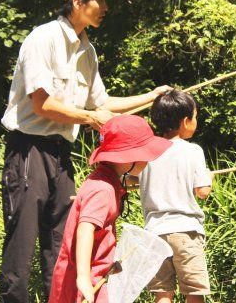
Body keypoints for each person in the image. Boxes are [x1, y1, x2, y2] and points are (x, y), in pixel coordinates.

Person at [0, 0, 170, 303]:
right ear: (78, 3)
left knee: (61, 243)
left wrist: (151, 97)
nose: (105, 7)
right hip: (29, 149)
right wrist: (92, 118)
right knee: (22, 241)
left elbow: (103, 103)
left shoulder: (87, 51)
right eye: (100, 0)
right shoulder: (43, 39)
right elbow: (43, 104)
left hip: (62, 153)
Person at [49, 114, 172, 303]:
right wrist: (83, 278)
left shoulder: (105, 181)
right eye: (144, 154)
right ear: (127, 157)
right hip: (85, 282)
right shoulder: (102, 189)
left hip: (98, 274)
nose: (148, 160)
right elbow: (85, 229)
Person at [139, 90, 213, 303]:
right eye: (195, 117)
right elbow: (203, 192)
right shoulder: (193, 151)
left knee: (163, 293)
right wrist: (209, 177)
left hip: (154, 232)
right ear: (185, 120)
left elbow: (134, 179)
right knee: (194, 291)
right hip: (186, 232)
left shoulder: (146, 152)